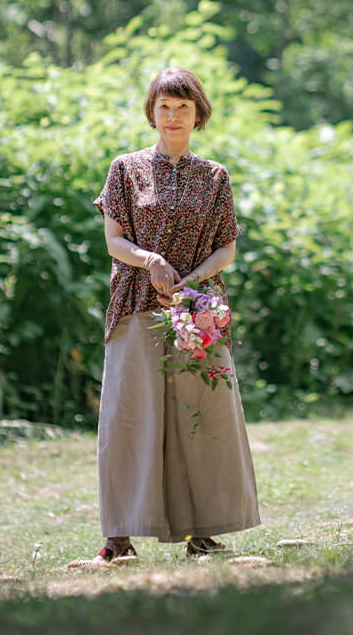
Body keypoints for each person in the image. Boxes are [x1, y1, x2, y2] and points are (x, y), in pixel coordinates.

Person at [89, 65, 261, 563]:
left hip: (197, 312)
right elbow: (114, 240)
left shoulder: (214, 177)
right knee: (127, 415)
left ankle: (201, 531)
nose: (172, 116)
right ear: (151, 112)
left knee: (201, 416)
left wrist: (193, 280)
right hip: (135, 304)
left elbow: (226, 247)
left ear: (198, 114)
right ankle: (118, 536)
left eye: (182, 107)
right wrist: (153, 261)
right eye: (164, 107)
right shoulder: (125, 169)